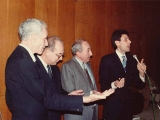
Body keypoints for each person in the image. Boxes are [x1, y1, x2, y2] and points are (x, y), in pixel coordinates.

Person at [5, 18, 114, 120]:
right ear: (33, 37)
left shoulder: (21, 57)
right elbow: (46, 97)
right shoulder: (24, 61)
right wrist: (85, 99)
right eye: (44, 39)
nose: (46, 43)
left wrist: (69, 96)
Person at [99, 29, 146, 120]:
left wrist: (141, 73)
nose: (130, 41)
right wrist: (114, 84)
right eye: (126, 39)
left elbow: (139, 86)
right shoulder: (107, 60)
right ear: (117, 42)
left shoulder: (132, 60)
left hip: (128, 108)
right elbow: (103, 85)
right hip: (113, 107)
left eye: (129, 39)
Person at [61, 39, 113, 120]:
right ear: (78, 53)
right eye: (88, 50)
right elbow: (70, 92)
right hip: (77, 115)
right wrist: (92, 93)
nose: (91, 54)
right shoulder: (68, 66)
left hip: (92, 112)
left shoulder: (87, 64)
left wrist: (96, 93)